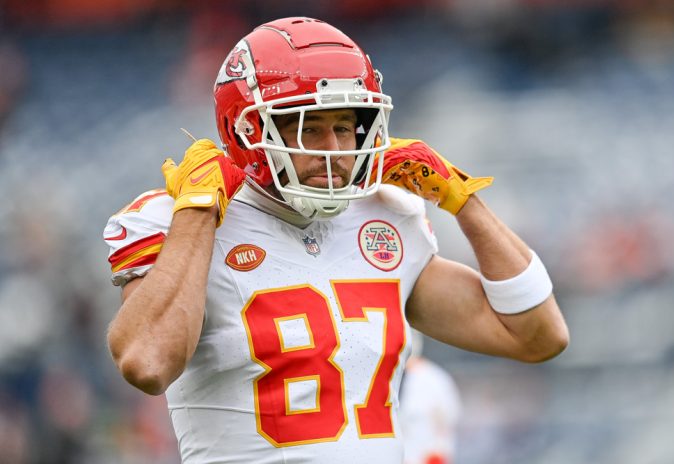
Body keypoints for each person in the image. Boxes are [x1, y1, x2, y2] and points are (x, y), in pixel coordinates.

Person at [103, 17, 569, 463]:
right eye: (309, 127)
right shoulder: (181, 219)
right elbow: (146, 363)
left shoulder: (385, 218)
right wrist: (197, 214)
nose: (334, 151)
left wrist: (461, 199)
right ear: (247, 130)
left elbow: (537, 335)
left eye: (345, 127)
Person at [399, 330, 461, 464]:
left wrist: (438, 452)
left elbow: (448, 421)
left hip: (424, 458)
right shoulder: (388, 379)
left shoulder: (434, 379)